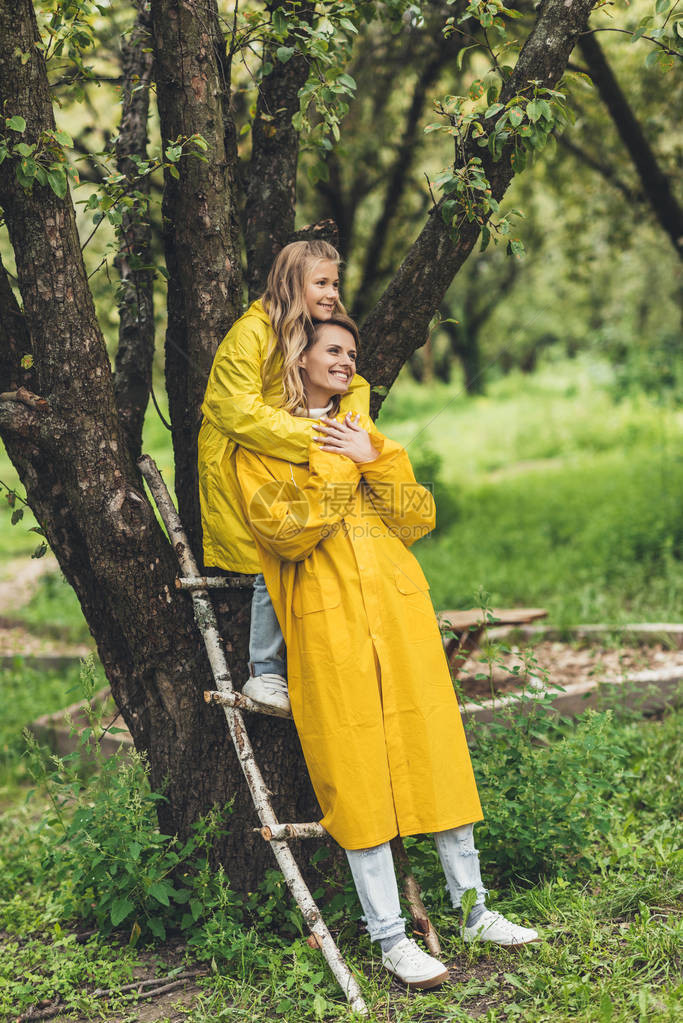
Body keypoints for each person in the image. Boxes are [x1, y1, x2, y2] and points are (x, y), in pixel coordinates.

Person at [233, 314, 539, 990]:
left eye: (352, 353)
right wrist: (343, 463)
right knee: (359, 783)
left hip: (400, 619)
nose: (346, 362)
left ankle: (472, 912)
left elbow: (416, 518)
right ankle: (392, 939)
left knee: (436, 761)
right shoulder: (260, 443)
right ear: (299, 356)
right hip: (328, 628)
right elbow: (285, 532)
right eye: (333, 350)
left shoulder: (364, 432)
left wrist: (376, 456)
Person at [198, 241, 370, 714]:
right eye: (321, 283)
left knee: (320, 554)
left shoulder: (319, 332)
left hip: (295, 462)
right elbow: (233, 409)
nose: (332, 293)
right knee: (270, 560)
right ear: (292, 283)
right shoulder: (252, 332)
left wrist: (346, 433)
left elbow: (354, 384)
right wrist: (316, 434)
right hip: (247, 462)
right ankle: (265, 673)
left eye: (335, 283)